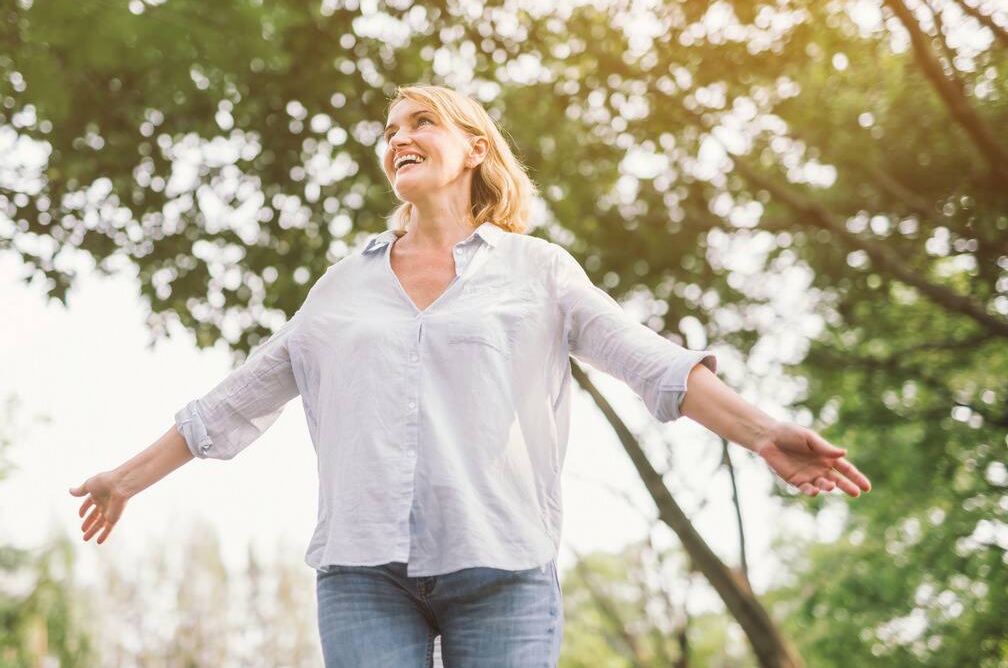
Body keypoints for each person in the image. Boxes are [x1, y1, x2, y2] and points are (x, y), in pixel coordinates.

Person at [69, 83, 872, 667]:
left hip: (504, 571)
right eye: (389, 130)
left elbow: (647, 358)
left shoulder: (538, 271)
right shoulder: (342, 286)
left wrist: (765, 431)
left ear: (475, 149)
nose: (398, 138)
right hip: (363, 575)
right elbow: (237, 399)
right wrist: (126, 478)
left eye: (421, 122)